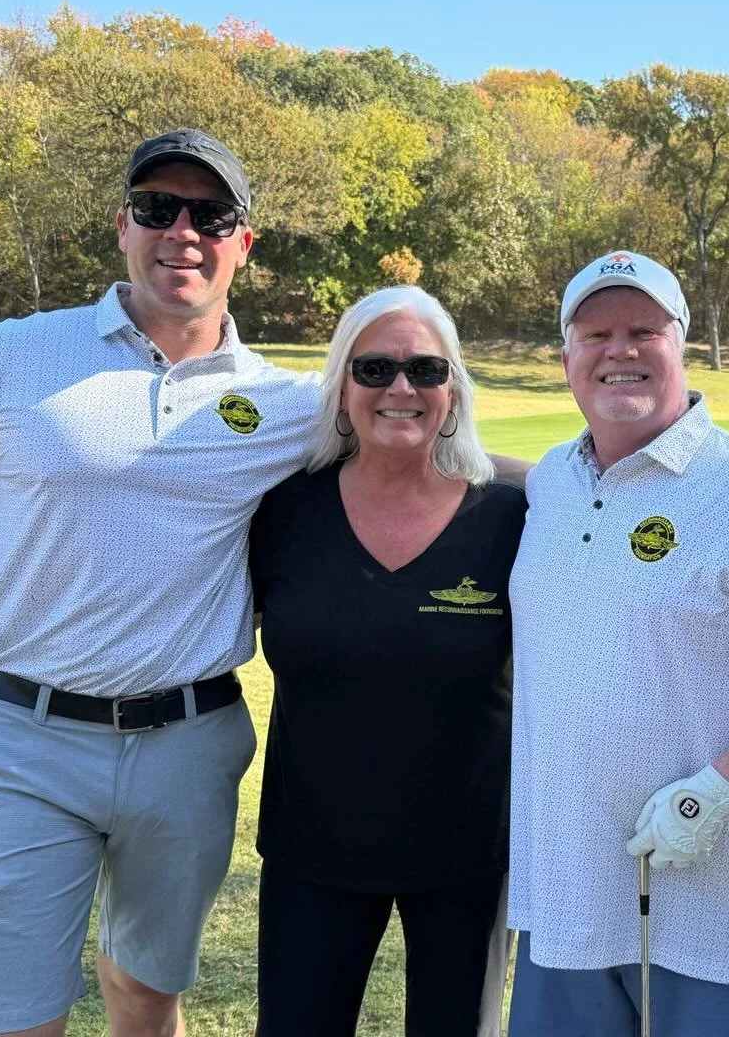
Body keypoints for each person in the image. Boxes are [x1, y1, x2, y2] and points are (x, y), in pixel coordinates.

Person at [0, 128, 319, 1036]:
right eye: (157, 209)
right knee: (10, 1019)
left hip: (190, 743)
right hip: (25, 740)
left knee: (145, 992)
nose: (184, 231)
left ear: (242, 246)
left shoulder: (290, 402)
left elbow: (431, 452)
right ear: (122, 228)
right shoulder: (4, 356)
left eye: (210, 215)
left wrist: (582, 476)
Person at [505, 250, 729, 1037]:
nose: (620, 351)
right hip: (563, 898)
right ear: (567, 355)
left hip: (709, 914)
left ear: (683, 344)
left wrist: (714, 791)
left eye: (644, 330)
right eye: (596, 332)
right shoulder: (552, 486)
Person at [248, 286, 523, 1036]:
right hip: (312, 852)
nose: (401, 388)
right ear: (341, 388)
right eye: (374, 369)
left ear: (454, 391)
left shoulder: (512, 518)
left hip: (468, 859)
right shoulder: (282, 513)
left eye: (426, 370)